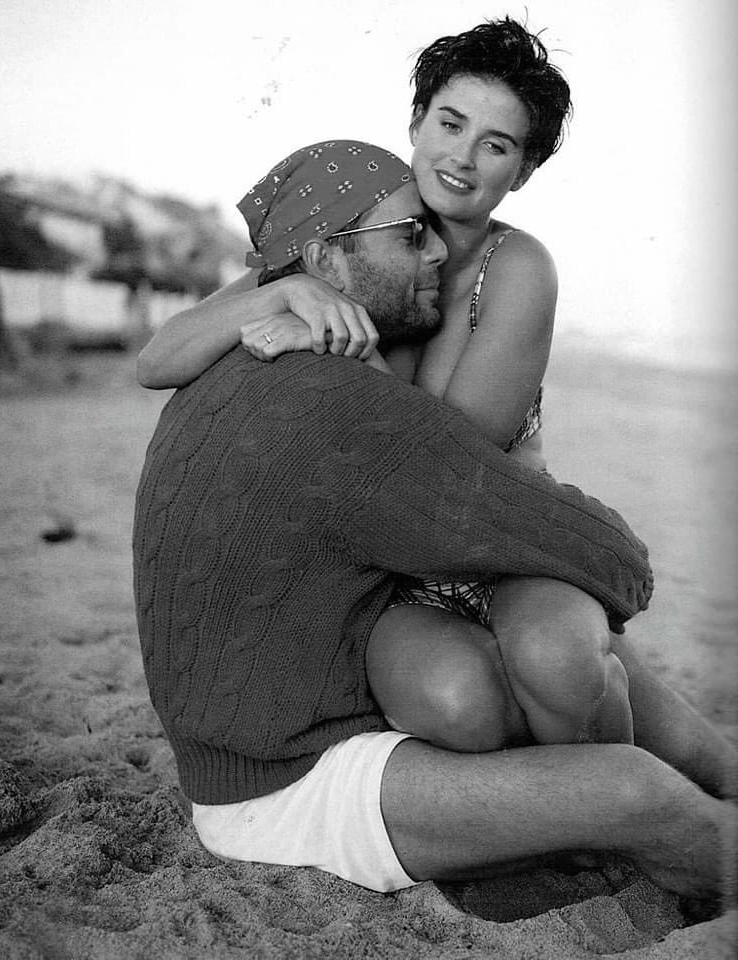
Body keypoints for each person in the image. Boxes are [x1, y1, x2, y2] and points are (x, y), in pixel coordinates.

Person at [135, 18, 737, 792]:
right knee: (459, 705)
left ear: (522, 170)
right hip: (389, 567)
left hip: (502, 534)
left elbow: (453, 463)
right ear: (417, 122)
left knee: (564, 663)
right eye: (450, 124)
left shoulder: (515, 268)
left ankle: (640, 816)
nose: (462, 156)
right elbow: (156, 359)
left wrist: (344, 351)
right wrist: (282, 293)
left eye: (497, 144)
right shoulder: (349, 235)